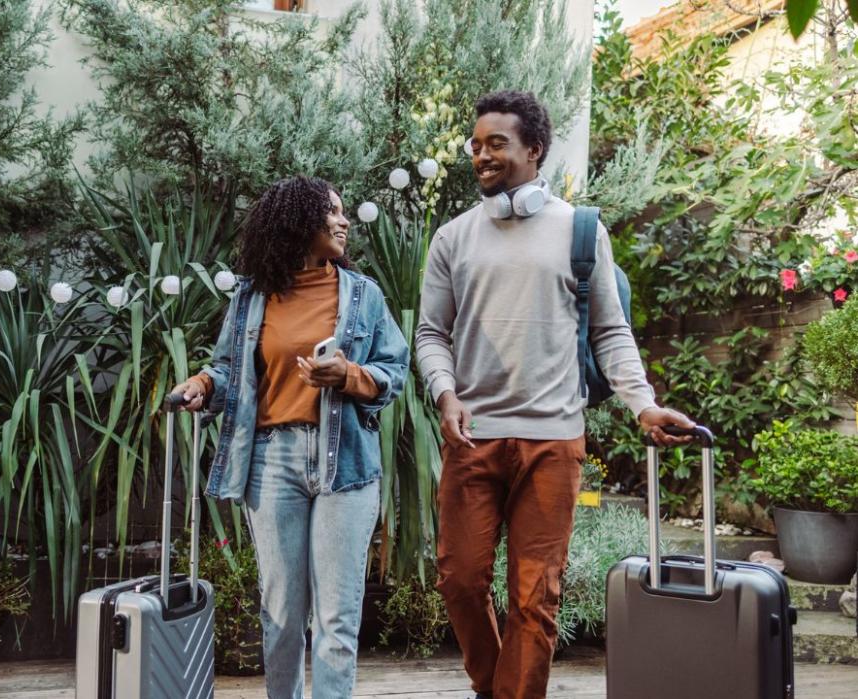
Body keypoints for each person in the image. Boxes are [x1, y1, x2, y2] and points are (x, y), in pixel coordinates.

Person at [414, 90, 695, 699]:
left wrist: (642, 403)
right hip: (473, 435)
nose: (481, 155)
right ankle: (495, 688)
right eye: (476, 145)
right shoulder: (452, 239)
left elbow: (610, 331)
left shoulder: (580, 230)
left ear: (534, 149)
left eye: (497, 143)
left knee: (535, 596)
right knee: (460, 581)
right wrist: (444, 392)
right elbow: (431, 333)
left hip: (553, 440)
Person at [171, 175, 410, 699]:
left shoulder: (363, 296)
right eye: (333, 213)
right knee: (280, 613)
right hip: (271, 459)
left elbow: (395, 370)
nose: (344, 222)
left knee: (337, 616)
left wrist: (349, 375)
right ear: (299, 222)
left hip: (344, 463)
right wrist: (204, 383)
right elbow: (231, 369)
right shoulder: (254, 298)